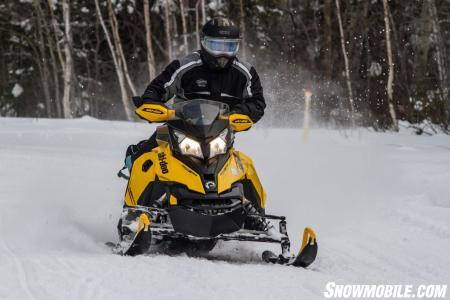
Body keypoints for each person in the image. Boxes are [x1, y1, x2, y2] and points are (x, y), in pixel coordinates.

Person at [125, 17, 266, 168]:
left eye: (230, 47)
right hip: (179, 129)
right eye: (216, 45)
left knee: (245, 170)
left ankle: (250, 192)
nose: (222, 54)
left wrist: (239, 112)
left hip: (220, 136)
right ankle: (136, 170)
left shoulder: (245, 73)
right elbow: (158, 88)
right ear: (204, 43)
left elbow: (257, 103)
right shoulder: (186, 66)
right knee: (142, 161)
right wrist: (152, 103)